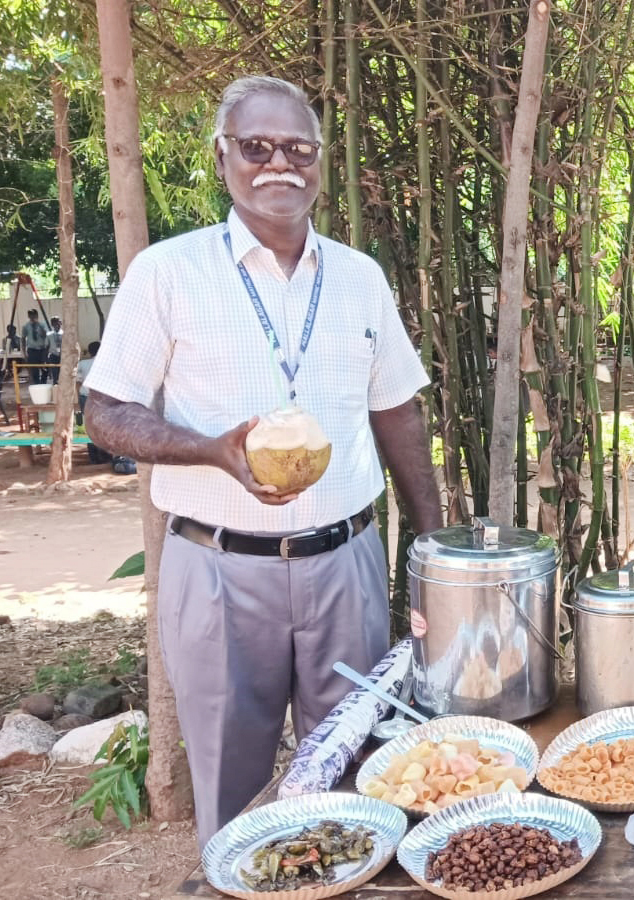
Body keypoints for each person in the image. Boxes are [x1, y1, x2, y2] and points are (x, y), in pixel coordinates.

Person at [84, 75, 442, 847]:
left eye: (297, 148)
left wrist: (434, 547)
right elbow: (104, 411)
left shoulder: (359, 277)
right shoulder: (169, 272)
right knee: (232, 780)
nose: (278, 162)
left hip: (345, 561)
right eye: (256, 147)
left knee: (355, 766)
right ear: (222, 159)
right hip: (216, 571)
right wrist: (210, 451)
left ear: (317, 161)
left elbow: (398, 413)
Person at [77, 341, 112, 464]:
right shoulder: (107, 364)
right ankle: (105, 454)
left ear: (90, 352)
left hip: (85, 396)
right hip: (102, 397)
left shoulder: (82, 364)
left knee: (88, 425)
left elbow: (77, 381)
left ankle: (93, 456)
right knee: (104, 424)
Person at [21, 309, 47, 384]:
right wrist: (24, 351)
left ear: (37, 315)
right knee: (34, 369)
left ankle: (43, 383)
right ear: (28, 316)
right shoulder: (26, 326)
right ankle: (37, 384)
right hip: (32, 350)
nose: (33, 316)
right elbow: (23, 338)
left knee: (45, 368)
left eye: (34, 315)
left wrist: (40, 328)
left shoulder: (42, 325)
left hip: (42, 349)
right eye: (31, 315)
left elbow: (45, 336)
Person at [45, 316, 63, 382]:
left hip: (63, 356)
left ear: (61, 323)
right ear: (52, 324)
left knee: (63, 373)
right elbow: (46, 346)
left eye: (58, 323)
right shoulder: (49, 335)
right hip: (53, 356)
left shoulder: (65, 334)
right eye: (55, 323)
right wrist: (45, 359)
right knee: (55, 374)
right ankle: (55, 385)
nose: (57, 325)